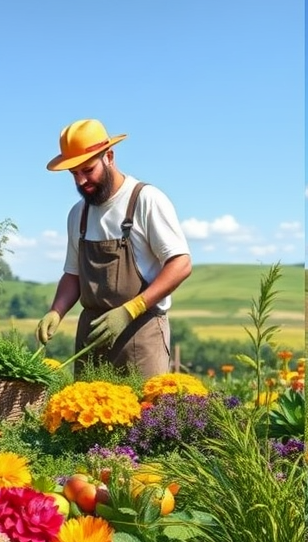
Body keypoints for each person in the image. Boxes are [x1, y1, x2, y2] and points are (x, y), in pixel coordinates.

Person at [36, 118, 192, 377]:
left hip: (140, 335)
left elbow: (181, 264)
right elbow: (73, 274)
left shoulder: (145, 200)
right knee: (84, 417)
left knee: (144, 417)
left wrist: (131, 309)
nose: (81, 181)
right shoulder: (78, 214)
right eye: (74, 174)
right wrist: (57, 310)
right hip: (91, 339)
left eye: (88, 169)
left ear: (109, 156)